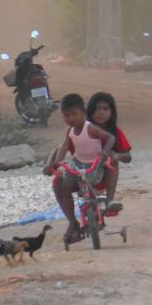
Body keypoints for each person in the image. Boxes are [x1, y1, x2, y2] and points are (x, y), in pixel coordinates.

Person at [44, 93, 117, 244]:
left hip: (94, 165)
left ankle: (109, 200)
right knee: (62, 184)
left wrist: (104, 152)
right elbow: (63, 147)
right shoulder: (70, 131)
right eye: (66, 115)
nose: (70, 118)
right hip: (77, 164)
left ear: (83, 113)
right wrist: (57, 162)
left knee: (107, 166)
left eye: (74, 114)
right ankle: (72, 222)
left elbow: (110, 138)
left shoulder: (90, 128)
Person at [86, 91, 131, 209]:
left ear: (112, 112)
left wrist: (117, 155)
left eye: (105, 109)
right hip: (85, 174)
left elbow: (128, 157)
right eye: (97, 109)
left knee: (112, 159)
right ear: (90, 112)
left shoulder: (116, 132)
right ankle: (72, 221)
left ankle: (110, 200)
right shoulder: (83, 131)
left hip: (105, 176)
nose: (101, 112)